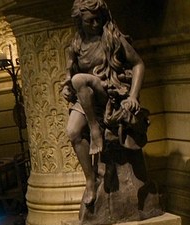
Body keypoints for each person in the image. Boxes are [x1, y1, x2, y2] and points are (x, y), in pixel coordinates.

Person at [61, 0, 146, 206]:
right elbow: (69, 77)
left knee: (80, 80)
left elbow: (138, 64)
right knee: (72, 132)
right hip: (86, 98)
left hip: (109, 92)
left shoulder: (113, 38)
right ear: (80, 22)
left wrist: (133, 96)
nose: (95, 24)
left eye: (98, 19)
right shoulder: (76, 46)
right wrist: (66, 88)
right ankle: (90, 180)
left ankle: (95, 130)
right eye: (89, 21)